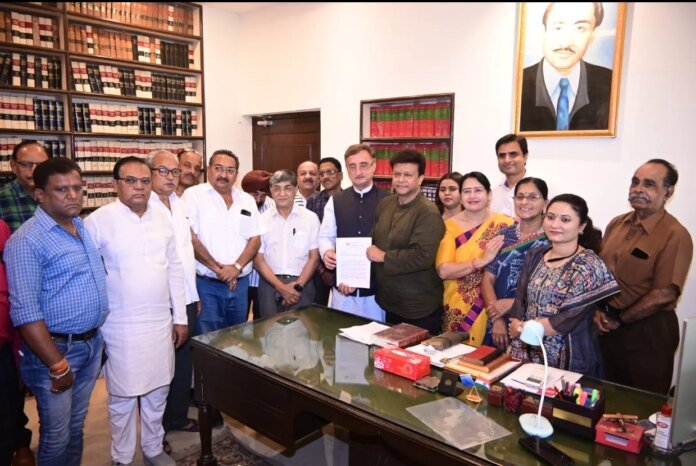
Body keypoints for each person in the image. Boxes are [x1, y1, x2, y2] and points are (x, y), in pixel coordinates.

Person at [6, 158, 108, 466]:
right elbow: (25, 312)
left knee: (76, 426)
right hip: (56, 351)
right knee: (56, 435)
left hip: (90, 344)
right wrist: (57, 364)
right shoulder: (27, 240)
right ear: (40, 194)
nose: (73, 195)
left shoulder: (80, 226)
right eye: (62, 190)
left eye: (77, 188)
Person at [85, 156, 186, 466]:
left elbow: (175, 268)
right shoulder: (98, 221)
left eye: (144, 181)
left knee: (158, 389)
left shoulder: (163, 219)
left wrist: (180, 317)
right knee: (122, 396)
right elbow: (89, 276)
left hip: (160, 321)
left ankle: (153, 448)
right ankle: (122, 456)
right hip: (119, 325)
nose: (139, 187)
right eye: (130, 181)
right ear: (115, 184)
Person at [595, 159, 693, 394]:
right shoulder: (616, 224)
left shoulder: (675, 235)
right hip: (606, 327)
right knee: (603, 396)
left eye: (649, 184)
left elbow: (665, 293)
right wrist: (597, 310)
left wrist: (620, 318)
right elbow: (599, 272)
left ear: (668, 191)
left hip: (647, 334)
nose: (638, 189)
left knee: (641, 404)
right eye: (635, 182)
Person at [508, 194, 620, 376]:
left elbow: (566, 320)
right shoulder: (536, 254)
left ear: (581, 226)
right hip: (526, 351)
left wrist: (521, 328)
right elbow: (520, 300)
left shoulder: (589, 266)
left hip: (569, 359)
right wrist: (516, 323)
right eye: (550, 217)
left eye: (565, 220)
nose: (555, 224)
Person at [145, 150, 200, 437]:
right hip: (158, 302)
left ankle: (176, 417)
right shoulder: (143, 207)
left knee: (182, 361)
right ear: (149, 173)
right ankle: (155, 432)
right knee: (157, 367)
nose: (170, 177)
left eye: (174, 172)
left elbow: (186, 254)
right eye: (163, 171)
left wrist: (193, 296)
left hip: (185, 298)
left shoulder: (181, 204)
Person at [182, 149, 263, 335]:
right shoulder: (193, 196)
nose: (224, 175)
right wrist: (219, 270)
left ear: (236, 173)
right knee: (207, 339)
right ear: (209, 169)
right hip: (207, 285)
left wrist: (236, 268)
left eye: (230, 170)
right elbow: (189, 237)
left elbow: (255, 238)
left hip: (240, 284)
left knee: (237, 338)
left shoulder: (246, 200)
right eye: (218, 168)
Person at [367, 149, 445, 335]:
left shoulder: (428, 212)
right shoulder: (385, 204)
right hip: (389, 302)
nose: (401, 180)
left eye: (408, 175)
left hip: (418, 308)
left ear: (420, 179)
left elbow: (422, 256)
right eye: (397, 174)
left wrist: (384, 256)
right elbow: (373, 242)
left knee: (416, 353)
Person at [436, 172, 513, 345]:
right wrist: (480, 262)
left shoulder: (507, 224)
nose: (472, 196)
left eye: (478, 190)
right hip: (459, 307)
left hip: (498, 306)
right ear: (461, 196)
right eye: (466, 191)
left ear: (489, 195)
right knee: (458, 355)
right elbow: (443, 270)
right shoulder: (449, 227)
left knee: (492, 358)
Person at [318, 144, 388, 321]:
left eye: (363, 165)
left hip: (377, 293)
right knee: (340, 336)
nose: (358, 172)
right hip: (343, 290)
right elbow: (326, 235)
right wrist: (327, 252)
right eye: (352, 166)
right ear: (346, 169)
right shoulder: (335, 200)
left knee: (375, 337)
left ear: (374, 165)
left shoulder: (389, 201)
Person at [519, 2, 612, 131]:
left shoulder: (609, 83)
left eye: (580, 28)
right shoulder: (517, 84)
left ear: (593, 35)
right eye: (558, 28)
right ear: (542, 30)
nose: (566, 42)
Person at [482, 177, 551, 350]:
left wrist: (514, 303)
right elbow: (487, 279)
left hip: (534, 323)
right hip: (498, 319)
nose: (524, 202)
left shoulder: (552, 239)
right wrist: (496, 319)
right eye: (520, 197)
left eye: (533, 197)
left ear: (545, 203)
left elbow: (553, 291)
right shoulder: (504, 235)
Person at [254, 170, 320, 316]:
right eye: (277, 188)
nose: (282, 193)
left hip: (302, 284)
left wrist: (298, 287)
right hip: (270, 284)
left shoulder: (310, 218)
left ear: (296, 189)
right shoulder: (261, 220)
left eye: (287, 188)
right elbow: (258, 260)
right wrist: (281, 287)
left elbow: (314, 257)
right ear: (271, 191)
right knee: (270, 328)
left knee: (301, 329)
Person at [306, 157, 343, 306]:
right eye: (321, 174)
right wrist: (322, 270)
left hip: (344, 266)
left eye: (330, 172)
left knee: (342, 310)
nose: (325, 177)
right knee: (316, 309)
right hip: (318, 269)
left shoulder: (349, 200)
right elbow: (309, 238)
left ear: (340, 175)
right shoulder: (313, 201)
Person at [241, 170, 275, 321]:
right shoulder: (238, 204)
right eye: (255, 195)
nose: (259, 199)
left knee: (262, 321)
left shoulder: (273, 206)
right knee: (239, 321)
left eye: (263, 195)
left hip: (265, 277)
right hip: (243, 276)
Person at [0, 141, 50, 232]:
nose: (34, 170)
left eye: (41, 165)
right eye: (26, 164)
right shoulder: (2, 198)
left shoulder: (57, 194)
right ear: (13, 166)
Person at [491, 134, 530, 217]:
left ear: (525, 157)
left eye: (513, 154)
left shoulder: (542, 191)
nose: (507, 160)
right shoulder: (492, 196)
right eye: (502, 155)